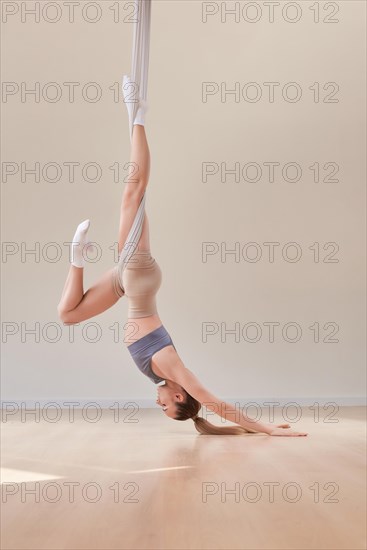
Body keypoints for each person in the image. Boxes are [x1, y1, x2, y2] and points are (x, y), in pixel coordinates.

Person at [57, 78, 308, 437]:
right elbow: (214, 402)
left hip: (127, 289)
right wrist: (267, 429)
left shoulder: (164, 376)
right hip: (138, 281)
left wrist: (225, 428)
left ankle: (77, 256)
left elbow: (205, 414)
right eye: (167, 406)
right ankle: (137, 115)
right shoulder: (177, 371)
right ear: (179, 394)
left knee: (68, 315)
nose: (159, 404)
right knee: (134, 193)